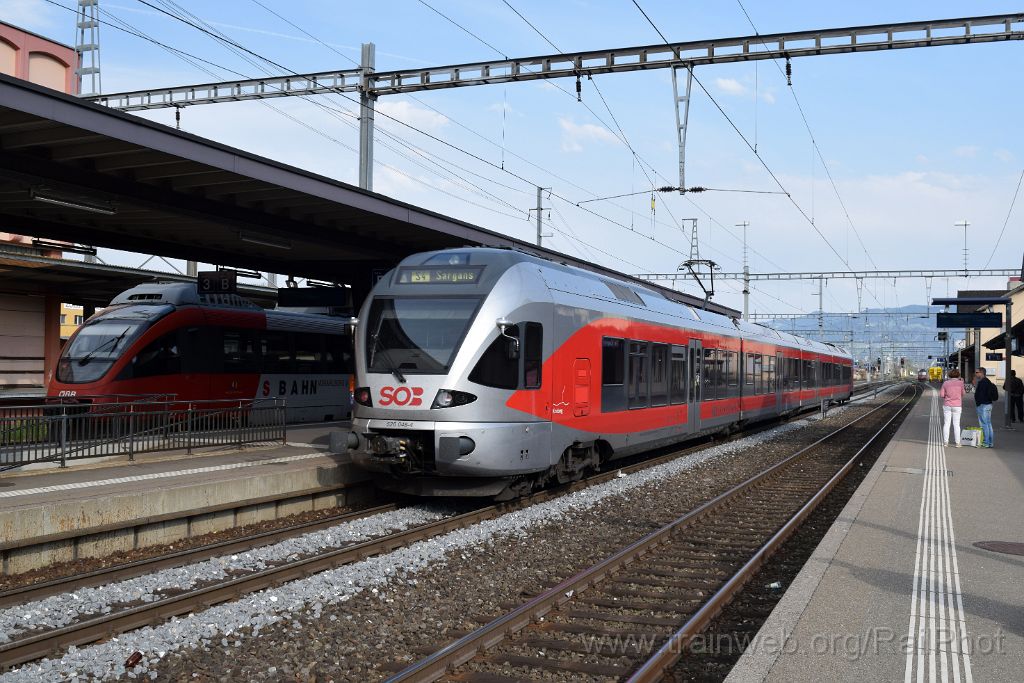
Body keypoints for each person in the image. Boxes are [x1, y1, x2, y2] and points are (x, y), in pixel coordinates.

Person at [939, 369, 966, 447]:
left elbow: (941, 395)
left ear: (949, 375)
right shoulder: (960, 383)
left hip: (947, 405)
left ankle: (945, 442)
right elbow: (963, 393)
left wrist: (947, 396)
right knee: (956, 424)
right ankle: (957, 443)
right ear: (958, 375)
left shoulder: (945, 383)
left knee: (946, 424)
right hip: (957, 406)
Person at [973, 368, 998, 448]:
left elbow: (980, 395)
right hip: (988, 405)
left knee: (984, 424)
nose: (976, 374)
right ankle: (990, 442)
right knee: (988, 424)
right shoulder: (988, 381)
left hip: (983, 405)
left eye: (977, 372)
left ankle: (986, 442)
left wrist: (978, 404)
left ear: (982, 373)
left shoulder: (983, 382)